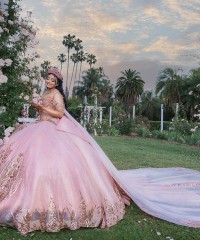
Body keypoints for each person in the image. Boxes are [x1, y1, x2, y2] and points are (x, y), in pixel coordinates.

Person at [0, 68, 200, 235]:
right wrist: (38, 106)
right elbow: (42, 110)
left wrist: (41, 108)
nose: (49, 81)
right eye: (47, 78)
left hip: (51, 129)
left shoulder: (57, 95)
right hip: (38, 128)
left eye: (53, 79)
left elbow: (60, 113)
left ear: (57, 83)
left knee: (55, 162)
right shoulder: (44, 93)